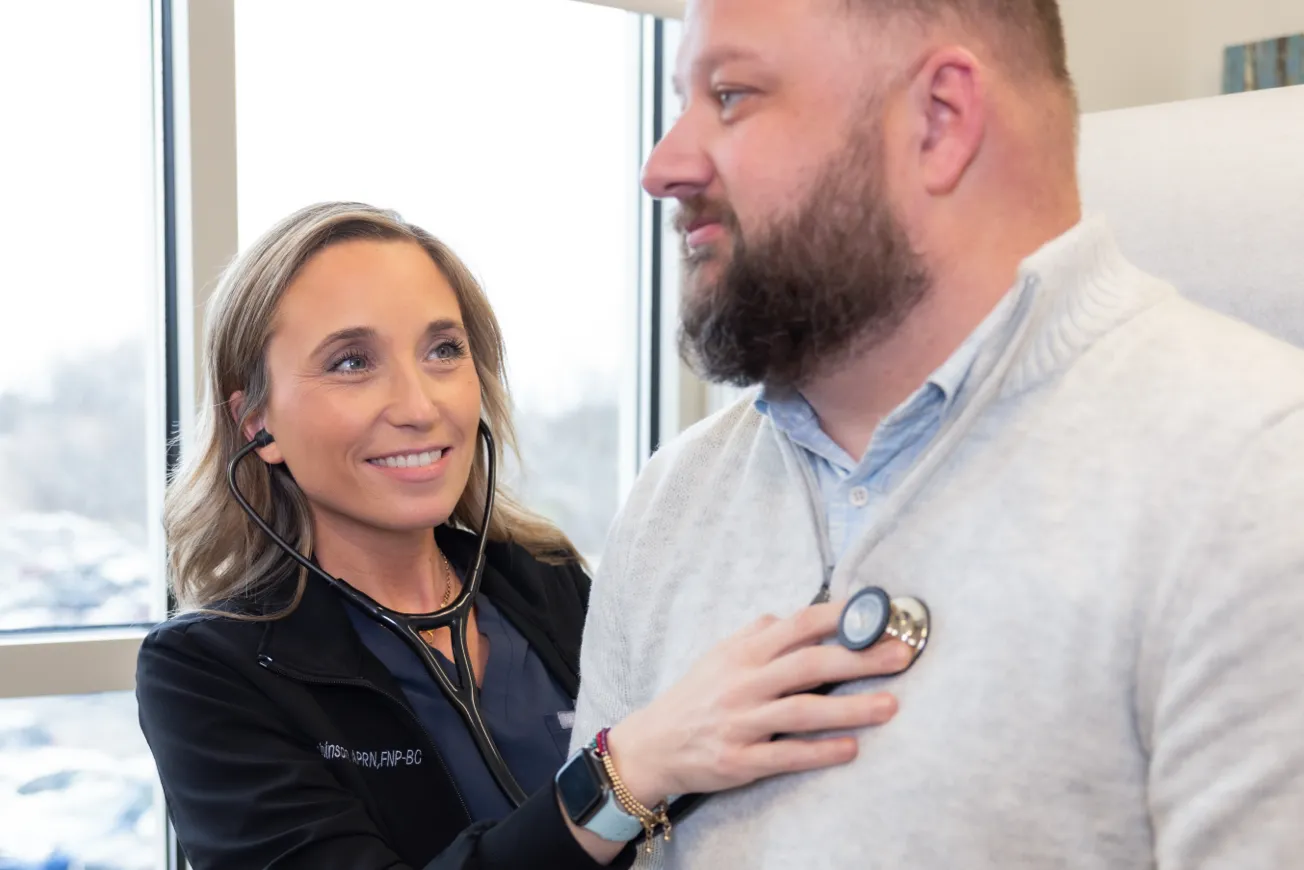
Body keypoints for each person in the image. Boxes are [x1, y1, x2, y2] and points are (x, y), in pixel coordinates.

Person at [571, 1, 1304, 868]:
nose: (664, 166)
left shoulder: (1257, 472)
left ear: (939, 120)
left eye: (730, 95)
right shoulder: (674, 497)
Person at [135, 201, 912, 870]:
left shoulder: (543, 582)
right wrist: (622, 775)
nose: (418, 403)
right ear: (256, 422)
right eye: (350, 362)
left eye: (444, 350)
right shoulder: (206, 673)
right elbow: (649, 765)